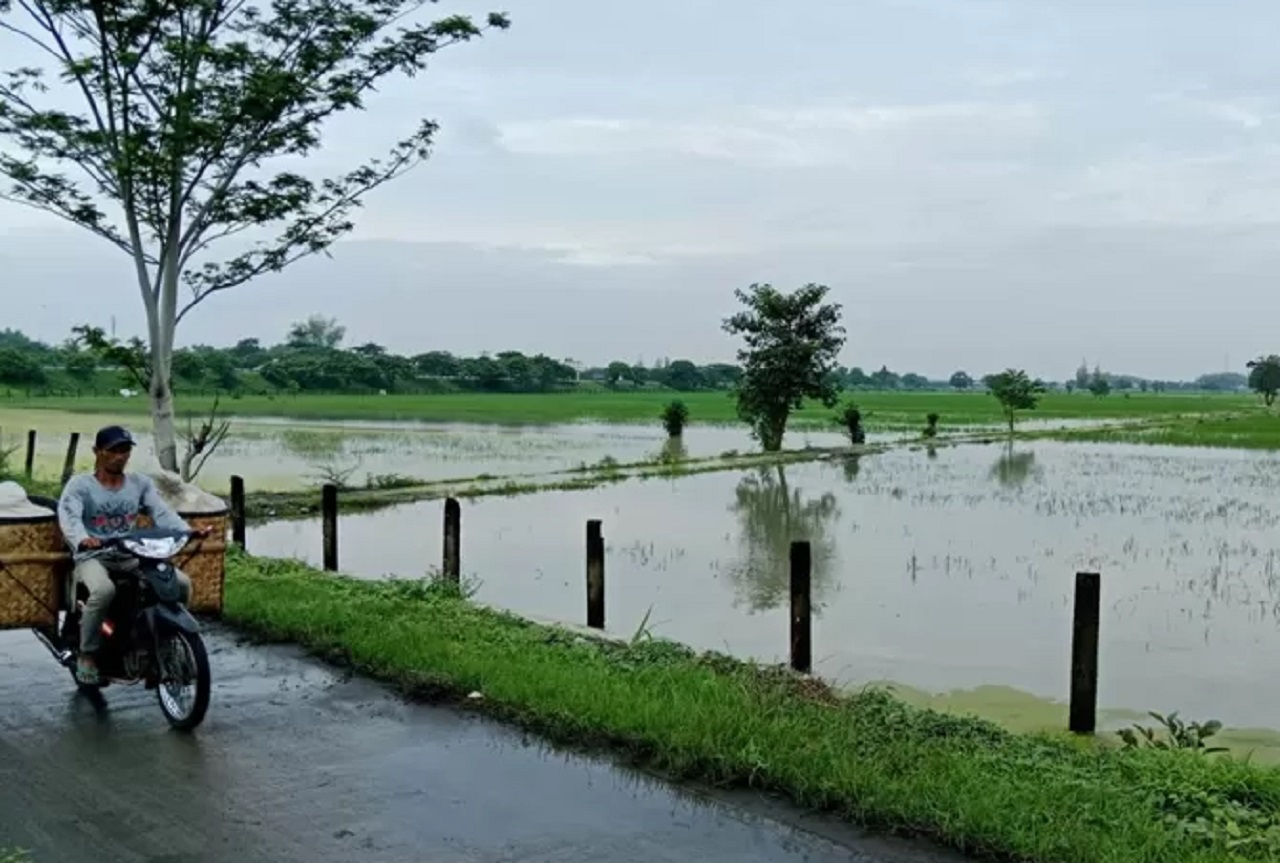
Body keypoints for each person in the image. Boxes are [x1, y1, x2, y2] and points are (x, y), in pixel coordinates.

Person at [56, 425, 211, 684]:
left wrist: (187, 531)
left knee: (180, 583)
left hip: (130, 553)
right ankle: (88, 654)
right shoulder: (80, 485)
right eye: (113, 450)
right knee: (103, 591)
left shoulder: (139, 484)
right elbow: (70, 518)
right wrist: (83, 539)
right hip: (93, 555)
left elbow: (161, 512)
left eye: (125, 450)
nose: (120, 456)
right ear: (98, 452)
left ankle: (167, 641)